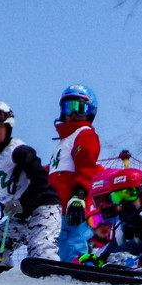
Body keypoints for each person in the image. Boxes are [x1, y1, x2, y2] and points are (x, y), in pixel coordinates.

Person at [0, 101, 60, 270]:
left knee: (40, 246)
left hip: (43, 208)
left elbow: (40, 180)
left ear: (7, 128)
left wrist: (22, 202)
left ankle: (50, 276)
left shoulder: (19, 151)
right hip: (19, 217)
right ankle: (2, 281)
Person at [47, 84, 103, 262]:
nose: (73, 113)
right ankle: (64, 269)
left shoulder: (84, 134)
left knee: (74, 238)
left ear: (90, 112)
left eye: (79, 108)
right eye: (68, 107)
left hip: (73, 205)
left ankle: (80, 266)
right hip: (57, 208)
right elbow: (55, 172)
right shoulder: (63, 142)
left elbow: (87, 167)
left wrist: (78, 196)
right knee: (62, 241)